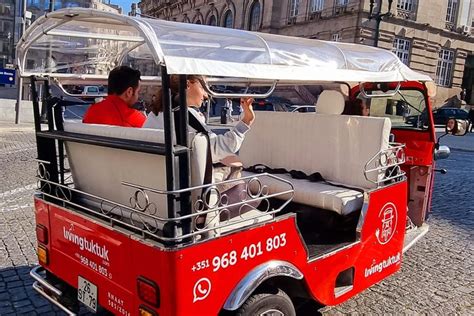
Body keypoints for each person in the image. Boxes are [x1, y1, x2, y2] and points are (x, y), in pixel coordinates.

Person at [144, 75, 255, 163]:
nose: (206, 95)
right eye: (203, 87)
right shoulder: (186, 116)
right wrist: (247, 120)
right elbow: (218, 148)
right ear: (188, 84)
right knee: (236, 165)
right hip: (184, 186)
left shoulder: (155, 113)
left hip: (156, 181)